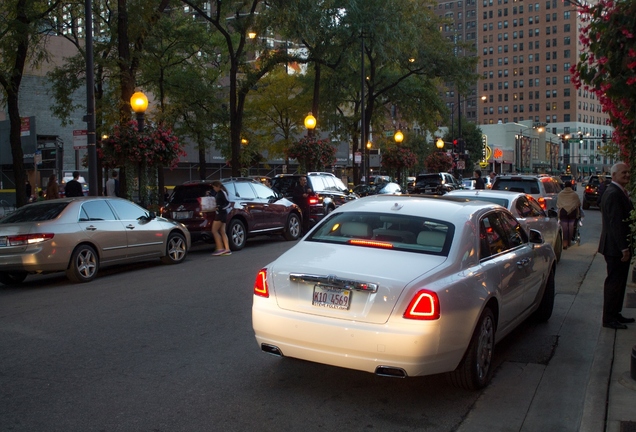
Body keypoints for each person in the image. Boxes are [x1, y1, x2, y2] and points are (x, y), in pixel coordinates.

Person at [598, 162, 634, 330]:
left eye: (628, 172)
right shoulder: (613, 193)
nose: (627, 175)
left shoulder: (619, 192)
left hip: (617, 247)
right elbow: (616, 224)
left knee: (620, 283)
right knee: (614, 283)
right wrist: (624, 248)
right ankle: (609, 318)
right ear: (613, 175)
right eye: (623, 173)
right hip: (615, 248)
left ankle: (615, 313)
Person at [556, 181, 581, 249]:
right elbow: (578, 203)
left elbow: (558, 204)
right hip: (572, 212)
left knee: (564, 228)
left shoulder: (560, 194)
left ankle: (564, 243)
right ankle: (569, 242)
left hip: (563, 212)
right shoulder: (574, 194)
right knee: (571, 227)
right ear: (571, 186)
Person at [211, 180, 231, 256]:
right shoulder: (220, 193)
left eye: (214, 187)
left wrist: (220, 208)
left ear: (217, 186)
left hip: (220, 214)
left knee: (214, 230)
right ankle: (227, 249)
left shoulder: (222, 193)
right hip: (222, 213)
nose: (214, 189)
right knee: (222, 231)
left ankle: (220, 248)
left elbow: (228, 203)